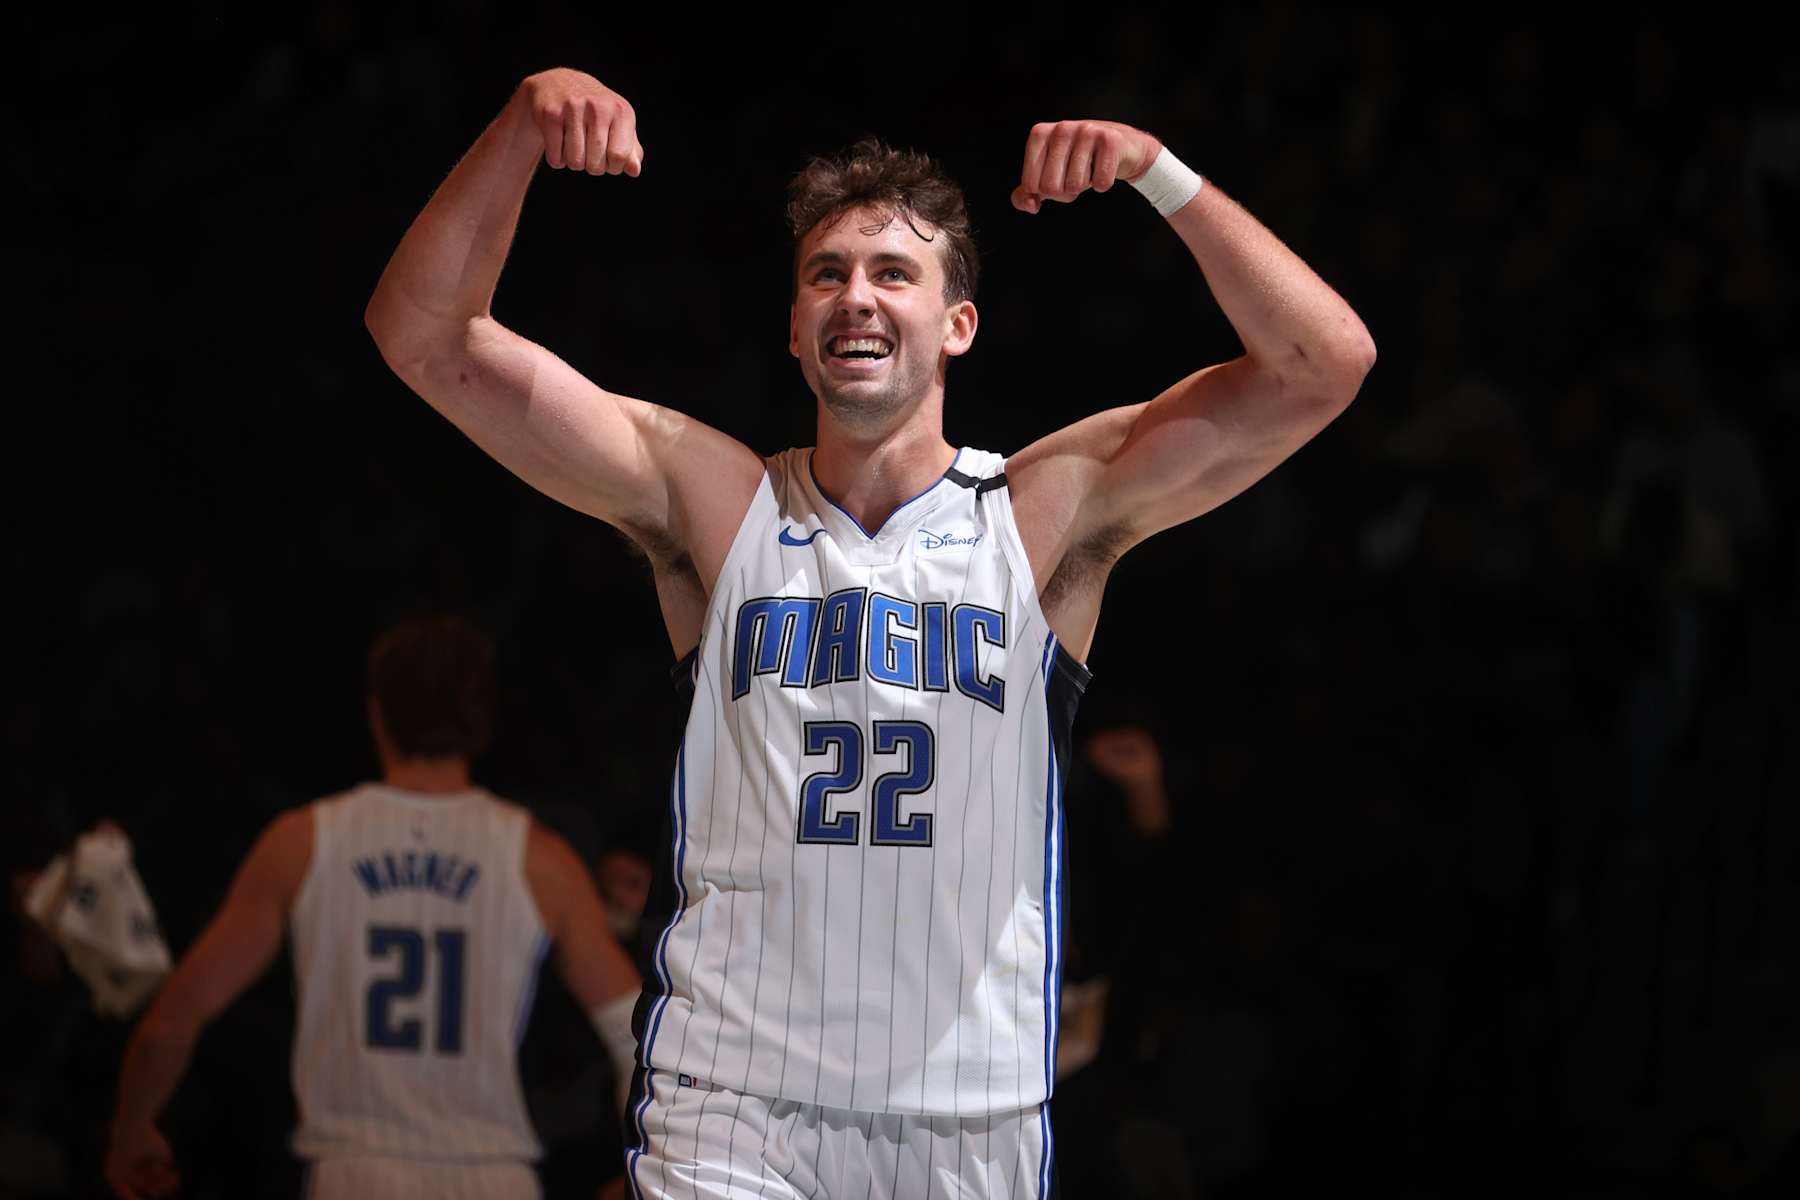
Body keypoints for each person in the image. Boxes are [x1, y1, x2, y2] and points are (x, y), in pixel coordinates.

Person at [363, 67, 1374, 1199]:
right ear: (794, 330)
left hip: (968, 1114)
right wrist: (518, 125)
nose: (857, 296)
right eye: (826, 274)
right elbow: (426, 338)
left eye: (894, 272)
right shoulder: (713, 500)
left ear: (958, 326)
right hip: (731, 1106)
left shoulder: (1045, 511)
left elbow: (1321, 364)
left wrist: (1157, 172)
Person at [103, 616, 643, 1200]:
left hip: (353, 1174)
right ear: (483, 719)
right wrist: (645, 1168)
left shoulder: (303, 841)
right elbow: (639, 1035)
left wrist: (131, 1130)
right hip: (494, 1175)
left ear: (377, 713)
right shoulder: (542, 860)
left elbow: (173, 1020)